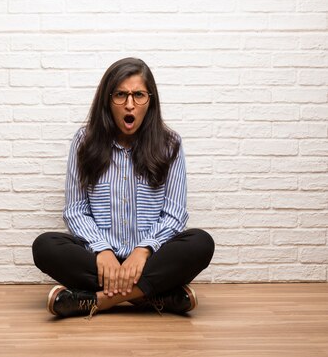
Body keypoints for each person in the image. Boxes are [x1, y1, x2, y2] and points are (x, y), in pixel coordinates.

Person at [32, 57, 215, 319]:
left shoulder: (170, 143)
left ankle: (94, 301)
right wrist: (102, 250)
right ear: (108, 100)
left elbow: (174, 213)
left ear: (149, 100)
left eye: (138, 95)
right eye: (120, 95)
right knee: (45, 246)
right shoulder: (84, 142)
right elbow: (75, 210)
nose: (130, 104)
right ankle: (153, 296)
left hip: (150, 259)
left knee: (200, 243)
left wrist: (143, 251)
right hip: (99, 261)